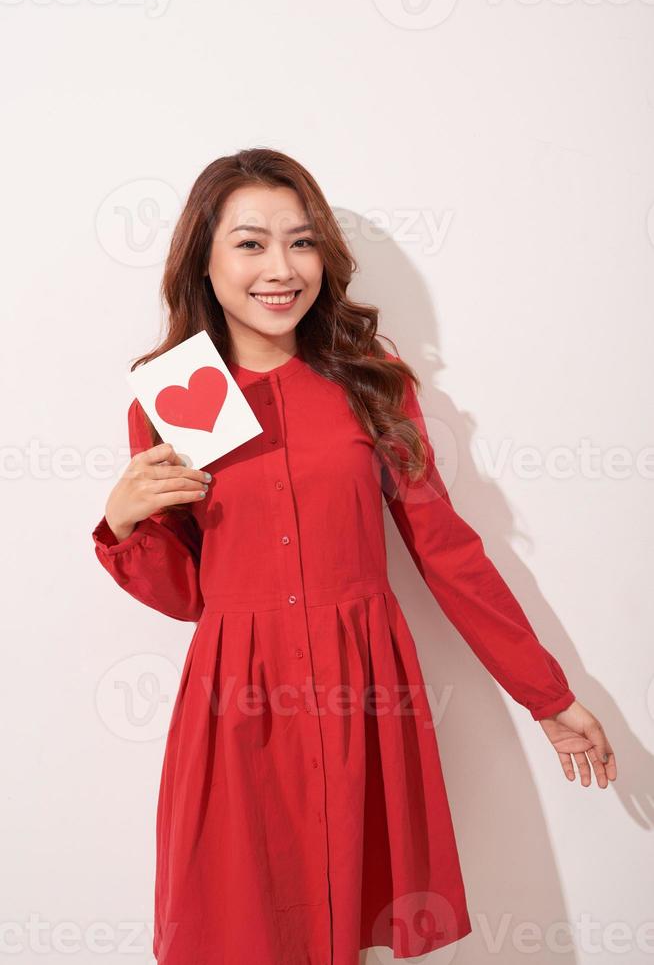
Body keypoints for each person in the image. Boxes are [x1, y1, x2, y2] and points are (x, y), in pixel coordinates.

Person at [92, 148, 617, 965]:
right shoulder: (172, 397)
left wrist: (548, 696)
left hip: (360, 686)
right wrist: (124, 526)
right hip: (240, 699)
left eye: (301, 242)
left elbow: (447, 551)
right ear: (205, 256)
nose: (281, 268)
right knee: (241, 928)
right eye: (251, 243)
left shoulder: (369, 383)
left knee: (348, 922)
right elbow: (189, 593)